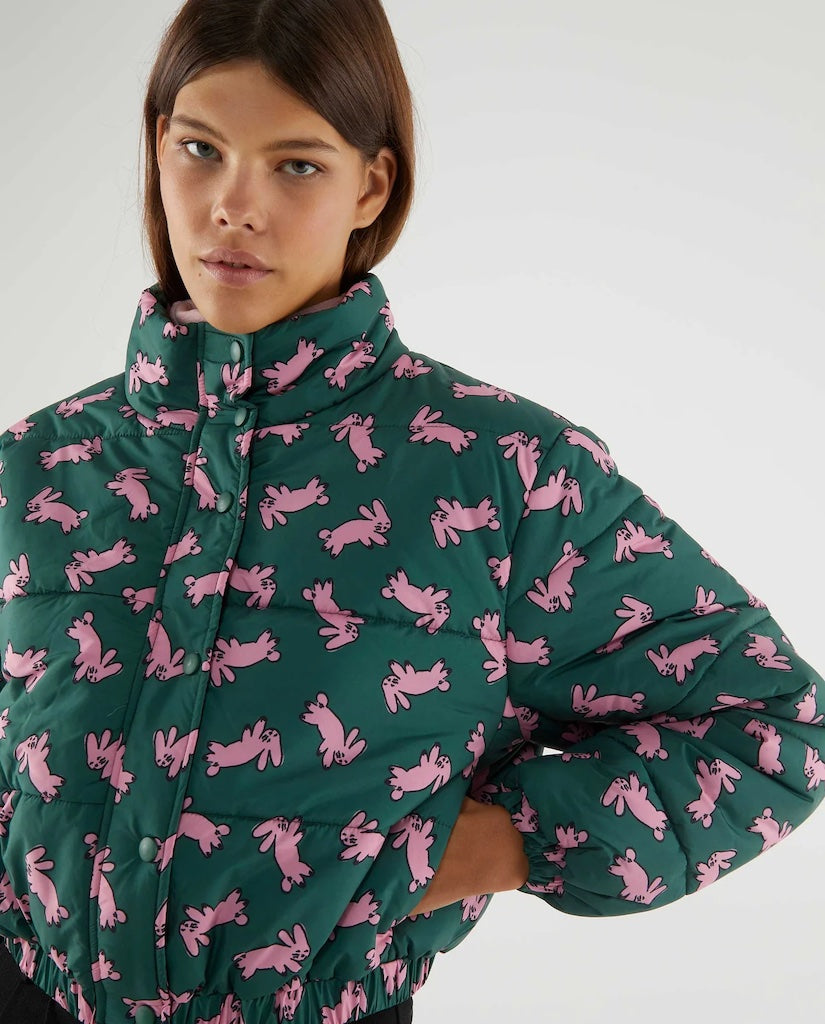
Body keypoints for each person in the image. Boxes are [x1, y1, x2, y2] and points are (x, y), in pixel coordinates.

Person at [0, 1, 823, 1022]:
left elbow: (772, 724)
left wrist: (497, 845)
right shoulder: (38, 461)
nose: (232, 206)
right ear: (158, 149)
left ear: (371, 184)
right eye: (200, 150)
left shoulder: (500, 473)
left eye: (296, 164)